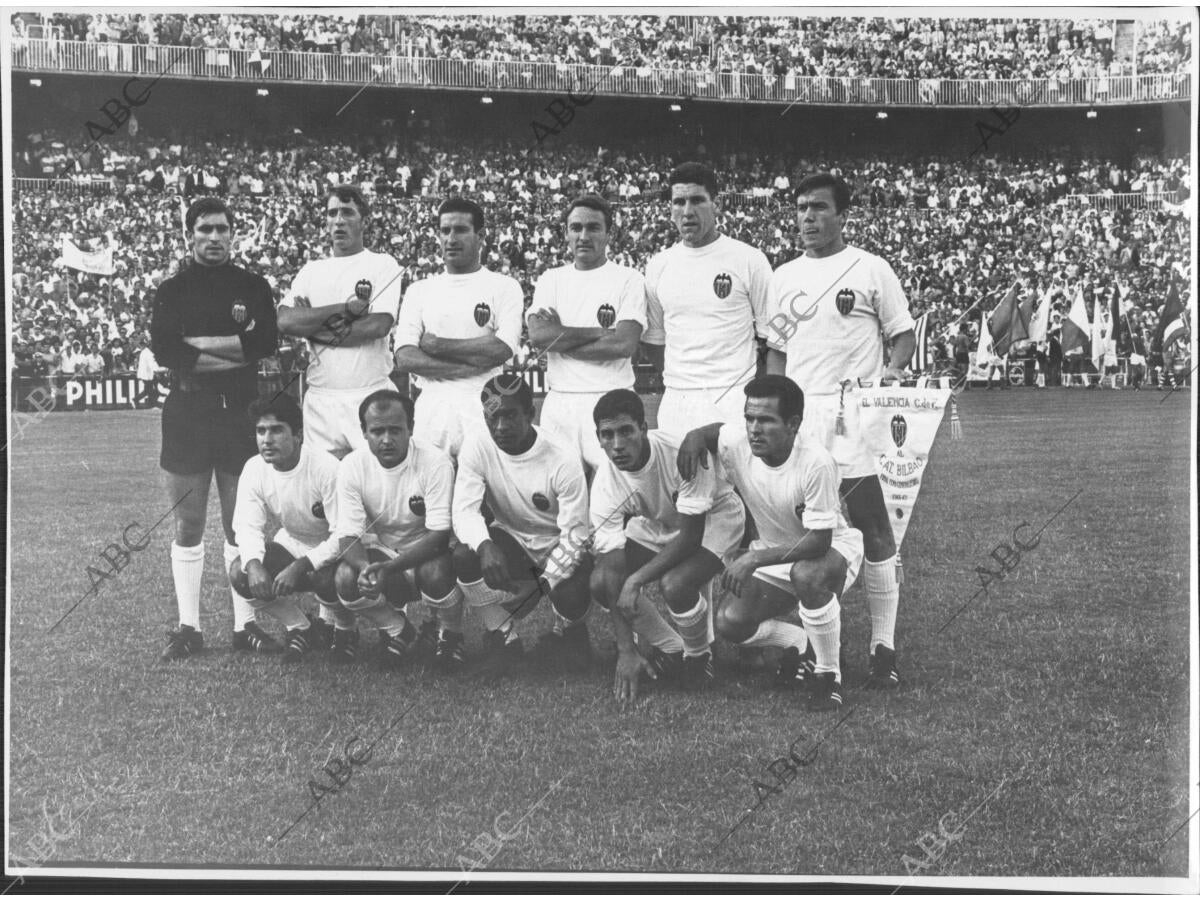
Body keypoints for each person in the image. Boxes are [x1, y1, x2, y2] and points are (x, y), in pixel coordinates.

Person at [764, 172, 914, 690]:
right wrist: (773, 408)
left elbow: (902, 334)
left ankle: (883, 646)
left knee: (873, 522)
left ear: (842, 214)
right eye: (801, 208)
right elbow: (777, 352)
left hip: (854, 415)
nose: (807, 217)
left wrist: (892, 371)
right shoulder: (782, 276)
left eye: (818, 208)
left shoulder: (872, 268)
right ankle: (814, 647)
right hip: (801, 420)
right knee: (800, 528)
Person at [677, 375, 864, 711]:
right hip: (777, 553)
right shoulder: (738, 442)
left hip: (831, 551)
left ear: (793, 424)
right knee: (730, 623)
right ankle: (801, 642)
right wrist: (694, 437)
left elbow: (818, 542)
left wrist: (752, 559)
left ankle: (828, 675)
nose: (754, 429)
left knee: (807, 575)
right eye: (749, 418)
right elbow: (715, 433)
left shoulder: (816, 462)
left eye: (765, 420)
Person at [150, 196, 279, 660]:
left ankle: (245, 628)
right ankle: (190, 629)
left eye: (222, 229)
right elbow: (167, 350)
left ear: (232, 233)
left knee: (237, 523)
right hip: (186, 414)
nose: (214, 237)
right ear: (190, 236)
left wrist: (197, 350)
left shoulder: (253, 285)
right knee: (188, 524)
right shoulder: (171, 289)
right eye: (204, 229)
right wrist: (234, 349)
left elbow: (264, 341)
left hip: (238, 414)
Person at [589, 389, 746, 703]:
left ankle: (699, 656)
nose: (617, 445)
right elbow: (612, 572)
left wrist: (636, 580)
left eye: (626, 432)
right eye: (607, 435)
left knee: (675, 585)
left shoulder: (681, 452)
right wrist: (626, 651)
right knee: (600, 581)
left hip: (715, 518)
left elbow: (690, 538)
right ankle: (675, 648)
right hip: (661, 524)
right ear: (599, 438)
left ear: (644, 428)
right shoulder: (605, 485)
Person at [452, 374, 593, 668]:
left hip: (558, 544)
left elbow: (575, 538)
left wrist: (541, 584)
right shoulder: (477, 445)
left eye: (510, 416)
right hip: (513, 539)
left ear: (531, 414)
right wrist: (485, 545)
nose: (501, 427)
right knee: (465, 555)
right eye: (493, 417)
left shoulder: (563, 457)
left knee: (570, 592)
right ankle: (503, 636)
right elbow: (464, 511)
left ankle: (571, 632)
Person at [641, 161, 773, 436]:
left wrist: (743, 386)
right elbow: (654, 341)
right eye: (679, 202)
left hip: (734, 396)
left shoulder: (749, 260)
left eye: (697, 200)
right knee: (679, 479)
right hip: (678, 399)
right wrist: (685, 378)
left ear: (716, 204)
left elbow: (770, 337)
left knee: (734, 479)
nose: (687, 211)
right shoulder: (658, 265)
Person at [331, 390, 460, 669]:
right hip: (385, 551)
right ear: (364, 432)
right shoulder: (352, 466)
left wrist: (388, 570)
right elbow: (347, 537)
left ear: (411, 428)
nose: (387, 440)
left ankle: (450, 633)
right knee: (345, 576)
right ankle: (398, 629)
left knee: (436, 572)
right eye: (377, 431)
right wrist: (368, 569)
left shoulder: (436, 462)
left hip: (428, 551)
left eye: (395, 430)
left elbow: (438, 536)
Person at [277, 185, 403, 459]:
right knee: (324, 493)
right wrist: (346, 310)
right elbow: (286, 320)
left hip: (370, 393)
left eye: (347, 212)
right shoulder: (311, 271)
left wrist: (312, 328)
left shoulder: (382, 264)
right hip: (321, 398)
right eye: (332, 213)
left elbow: (377, 326)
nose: (339, 220)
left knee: (377, 489)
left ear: (364, 221)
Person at [393, 197, 524, 458]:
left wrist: (437, 346)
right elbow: (405, 356)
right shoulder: (420, 290)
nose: (451, 238)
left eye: (461, 230)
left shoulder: (504, 286)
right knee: (432, 491)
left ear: (481, 235)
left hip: (484, 404)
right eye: (445, 230)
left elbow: (501, 349)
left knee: (480, 492)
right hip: (432, 406)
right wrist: (468, 365)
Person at [526, 194, 646, 476]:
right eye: (576, 227)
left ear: (608, 234)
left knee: (615, 491)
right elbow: (540, 337)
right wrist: (600, 331)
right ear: (565, 233)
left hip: (611, 397)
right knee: (563, 498)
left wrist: (562, 340)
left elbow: (624, 343)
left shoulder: (629, 279)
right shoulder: (550, 279)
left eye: (593, 228)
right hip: (561, 401)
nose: (583, 235)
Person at [228, 394, 340, 662]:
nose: (267, 439)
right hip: (294, 541)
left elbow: (345, 534)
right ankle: (302, 626)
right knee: (240, 573)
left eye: (277, 430)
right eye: (261, 430)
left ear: (298, 434)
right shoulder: (254, 468)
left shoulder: (326, 468)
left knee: (327, 579)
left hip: (336, 549)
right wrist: (254, 564)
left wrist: (301, 565)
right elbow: (246, 525)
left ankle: (342, 626)